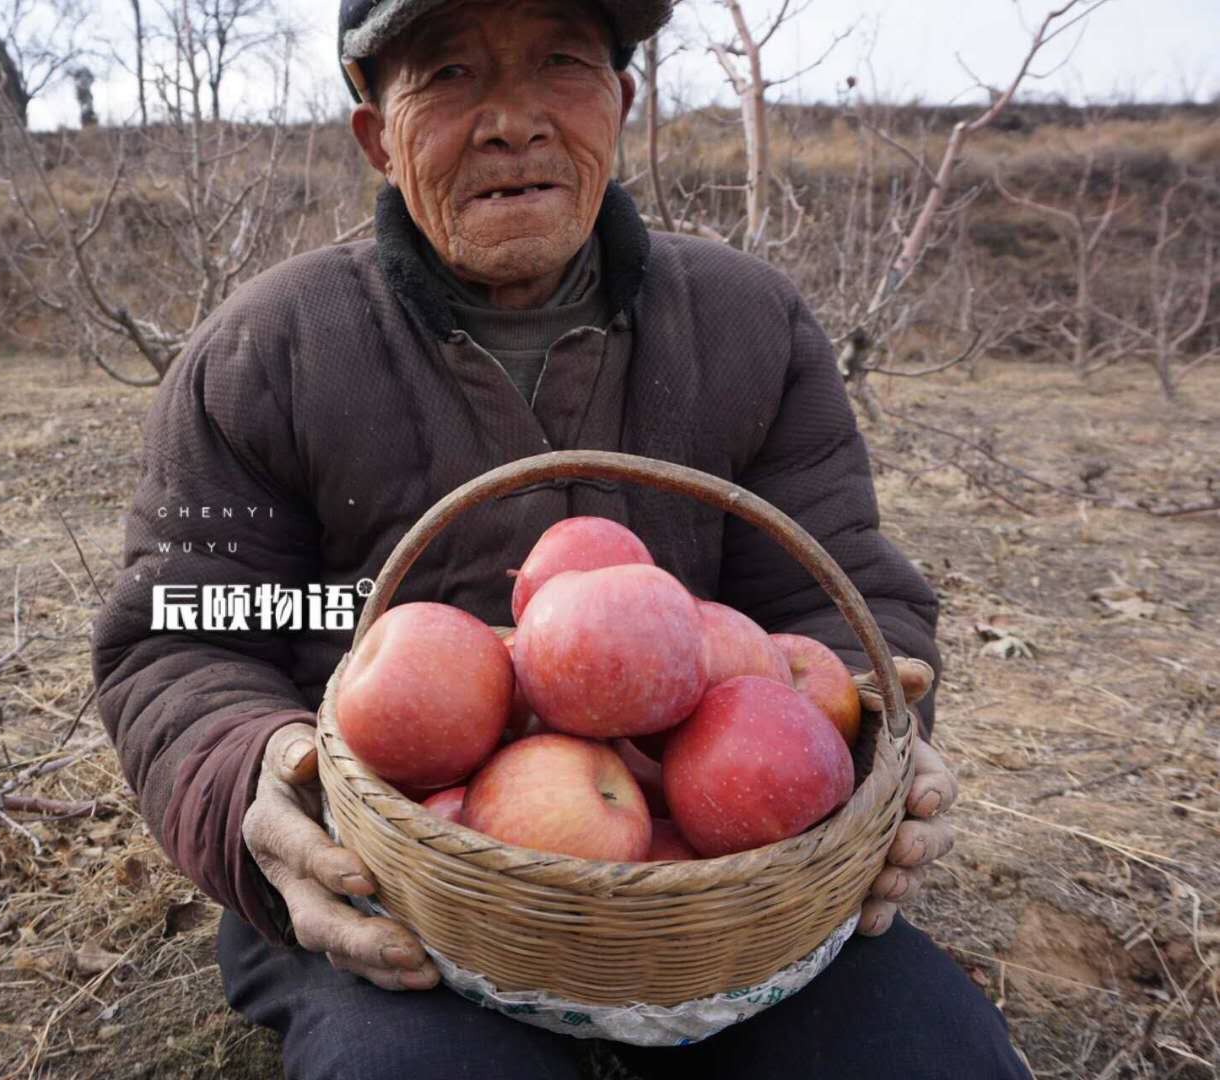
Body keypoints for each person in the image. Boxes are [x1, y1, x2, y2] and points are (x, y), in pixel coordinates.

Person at [92, 0, 1030, 1075]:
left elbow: (833, 595)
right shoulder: (271, 350)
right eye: (447, 74)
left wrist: (871, 743)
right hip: (401, 880)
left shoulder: (744, 324)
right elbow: (188, 624)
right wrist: (257, 767)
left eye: (560, 64)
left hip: (718, 890)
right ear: (376, 137)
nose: (512, 122)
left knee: (927, 1057)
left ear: (620, 104)